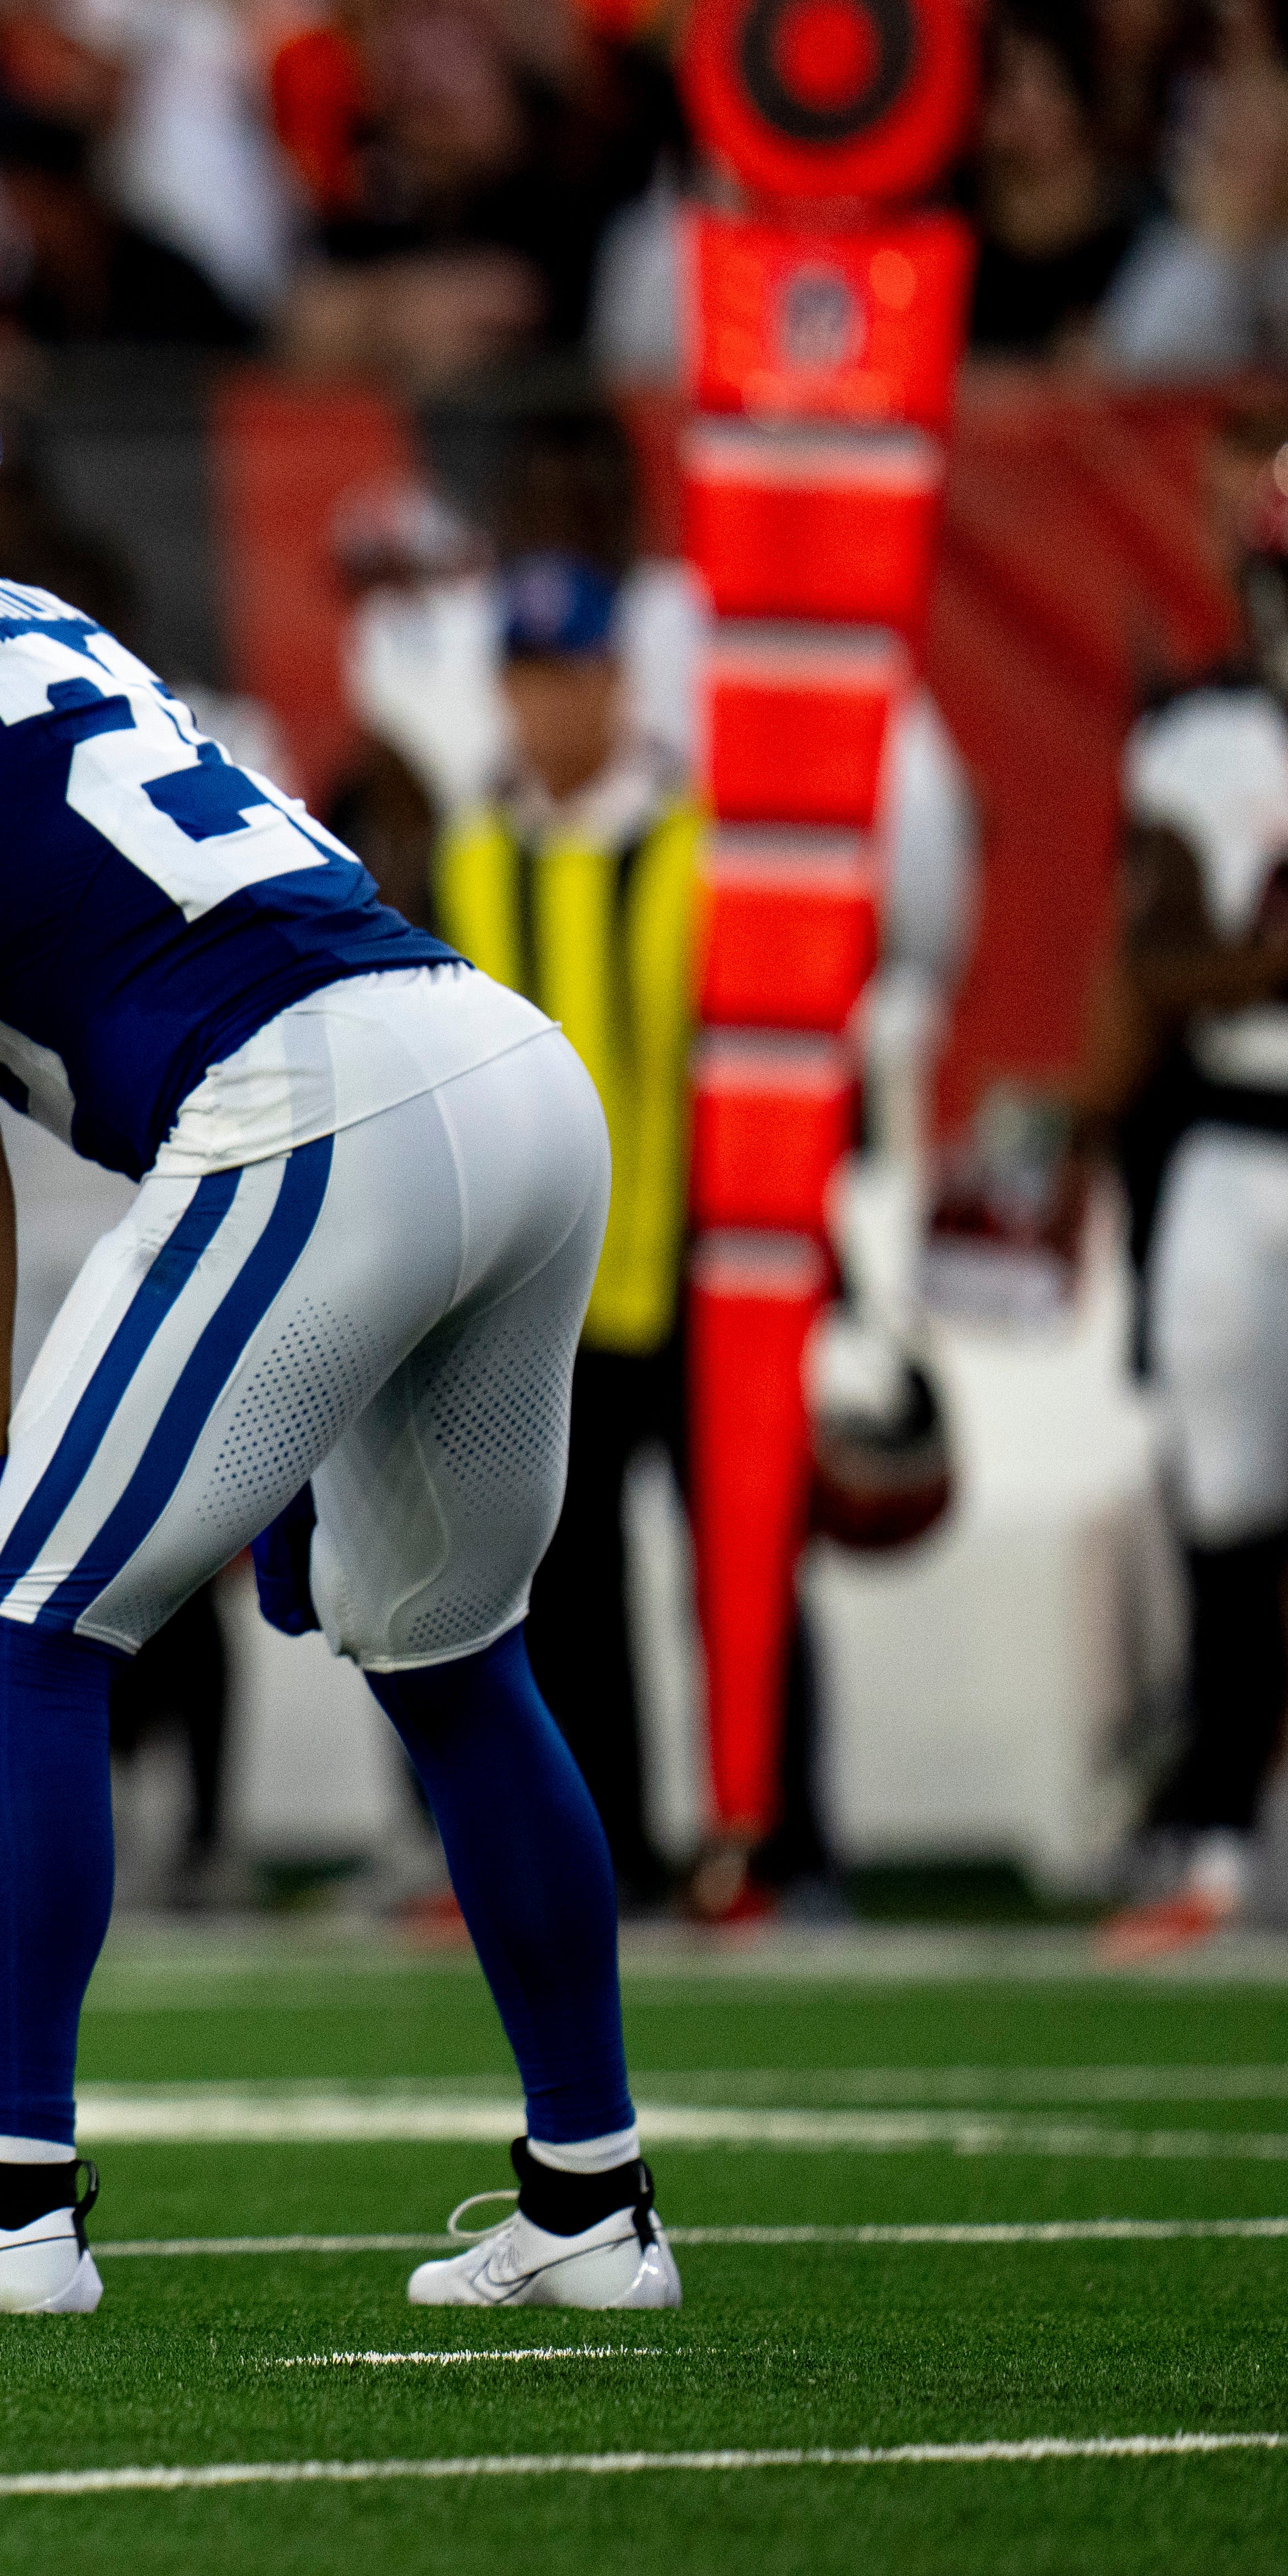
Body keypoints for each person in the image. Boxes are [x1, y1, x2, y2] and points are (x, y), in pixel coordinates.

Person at [0, 258, 674, 2320]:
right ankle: (594, 2202)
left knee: (25, 1612)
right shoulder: (25, 618)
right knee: (447, 1648)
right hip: (491, 1068)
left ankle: (11, 2207)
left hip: (316, 1111)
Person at [428, 554, 696, 1905]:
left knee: (737, 1557)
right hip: (538, 1272)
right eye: (521, 677)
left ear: (616, 679)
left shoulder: (699, 840)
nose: (543, 706)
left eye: (566, 674)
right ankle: (614, 1855)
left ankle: (777, 1836)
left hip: (693, 1254)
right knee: (565, 1578)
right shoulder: (472, 849)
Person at [1098, 429, 1288, 1954]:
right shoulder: (1194, 740)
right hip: (1243, 1139)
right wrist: (1280, 962)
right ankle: (1223, 1838)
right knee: (1228, 1504)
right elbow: (1162, 959)